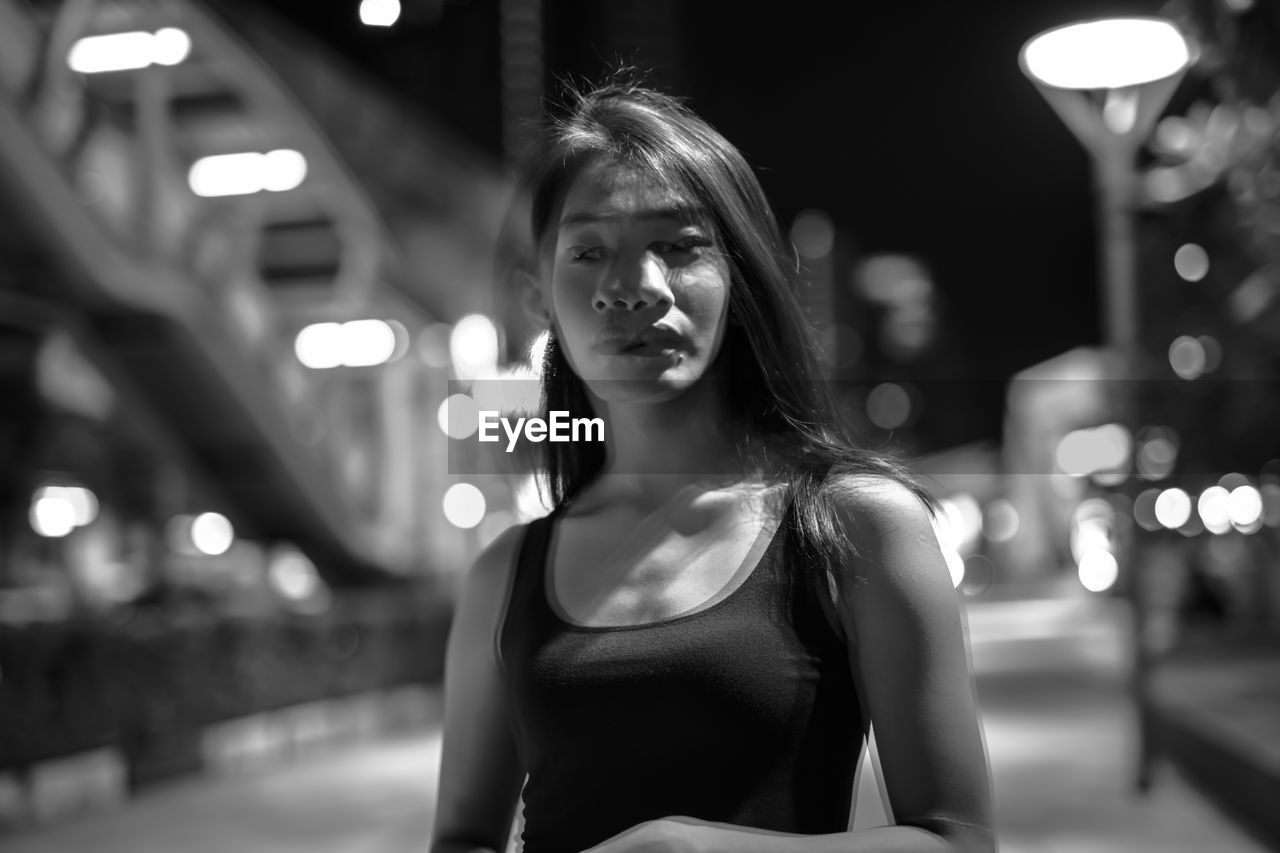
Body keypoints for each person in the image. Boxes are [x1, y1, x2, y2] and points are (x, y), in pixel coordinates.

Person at [430, 77, 995, 853]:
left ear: (740, 276)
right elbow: (462, 839)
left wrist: (697, 850)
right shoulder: (506, 570)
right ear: (541, 301)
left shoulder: (856, 524)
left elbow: (958, 840)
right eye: (590, 251)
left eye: (679, 245)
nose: (638, 288)